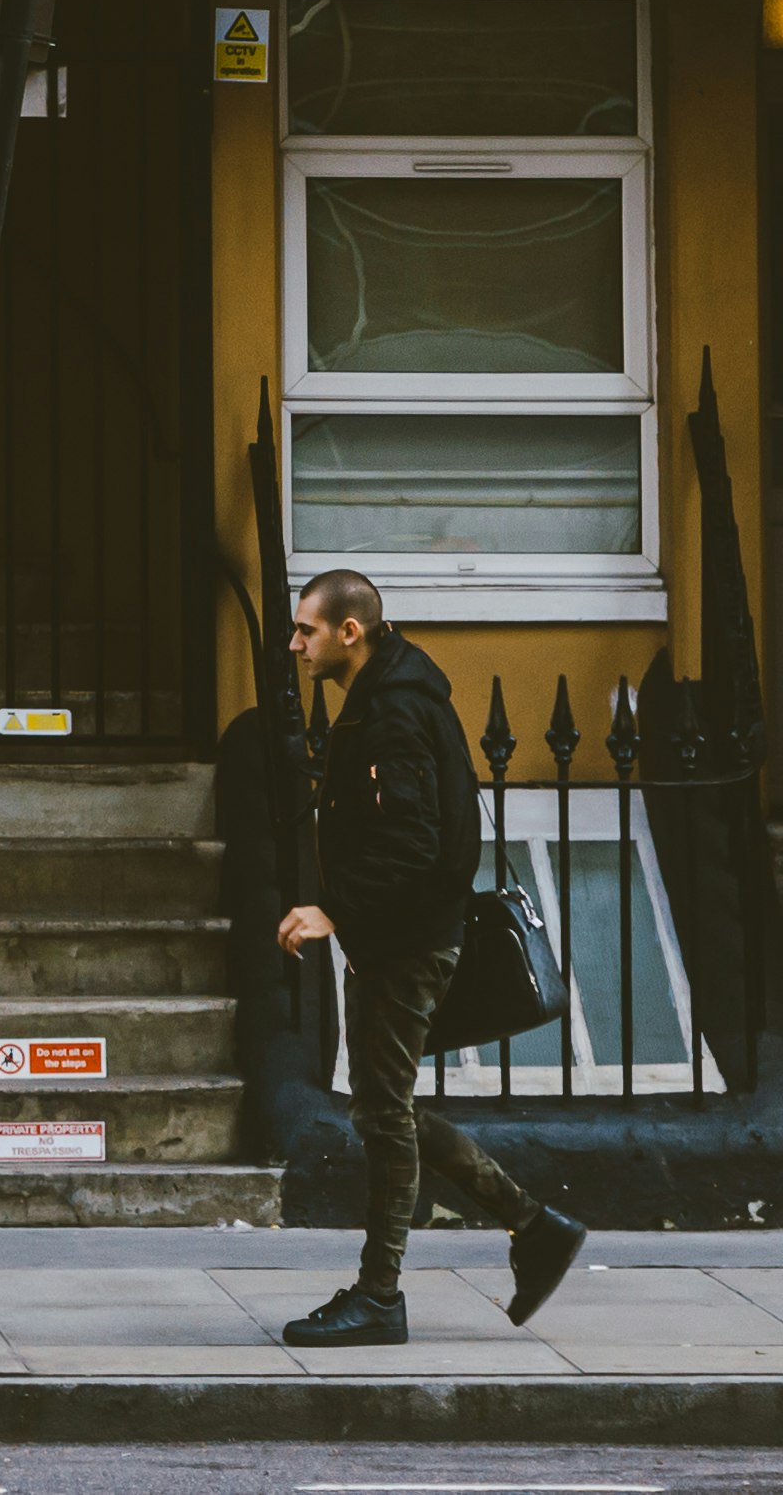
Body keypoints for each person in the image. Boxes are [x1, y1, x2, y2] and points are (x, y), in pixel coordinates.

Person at [270, 566, 589, 1344]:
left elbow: (413, 847)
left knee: (383, 1111)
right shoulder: (388, 700)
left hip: (407, 944)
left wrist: (333, 910)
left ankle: (382, 1292)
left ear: (351, 630)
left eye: (306, 628)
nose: (294, 642)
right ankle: (532, 1226)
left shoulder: (396, 715)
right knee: (387, 1105)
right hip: (395, 939)